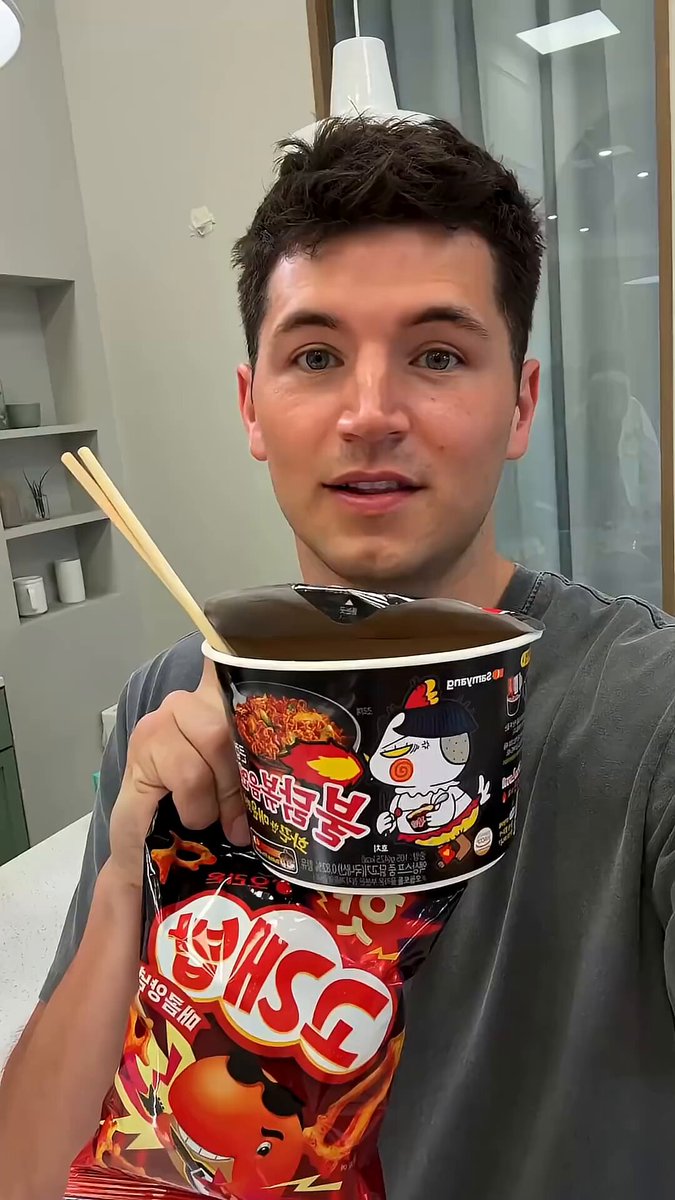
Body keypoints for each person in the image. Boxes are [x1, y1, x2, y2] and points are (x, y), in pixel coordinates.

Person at [2, 115, 675, 1200]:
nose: (369, 413)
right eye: (315, 357)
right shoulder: (171, 703)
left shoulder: (643, 716)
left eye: (438, 355)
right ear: (251, 408)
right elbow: (28, 1174)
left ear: (521, 405)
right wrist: (128, 876)